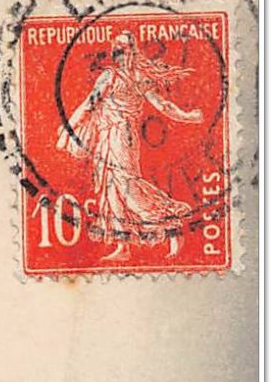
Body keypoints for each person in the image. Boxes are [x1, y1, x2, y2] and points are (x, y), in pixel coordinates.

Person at [56, 32, 204, 260]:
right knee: (111, 189)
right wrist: (188, 116)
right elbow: (162, 105)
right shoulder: (129, 77)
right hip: (112, 135)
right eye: (115, 46)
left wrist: (69, 126)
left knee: (126, 187)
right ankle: (123, 246)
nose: (117, 50)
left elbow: (89, 105)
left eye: (121, 47)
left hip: (119, 135)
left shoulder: (113, 77)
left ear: (130, 51)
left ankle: (171, 223)